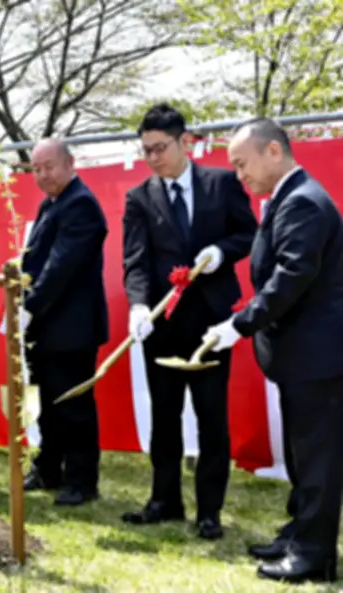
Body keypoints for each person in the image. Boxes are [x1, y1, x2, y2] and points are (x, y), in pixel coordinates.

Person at [204, 117, 343, 584]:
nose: (239, 175)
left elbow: (291, 277)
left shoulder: (303, 202)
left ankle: (314, 553)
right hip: (301, 354)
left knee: (318, 457)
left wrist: (239, 324)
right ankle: (299, 532)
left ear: (273, 152)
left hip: (318, 355)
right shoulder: (286, 198)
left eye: (242, 163)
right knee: (302, 455)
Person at [121, 104, 257, 539]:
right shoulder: (139, 197)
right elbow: (135, 260)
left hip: (210, 321)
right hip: (162, 322)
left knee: (211, 415)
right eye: (146, 151)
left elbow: (249, 233)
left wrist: (221, 252)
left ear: (185, 142)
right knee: (164, 414)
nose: (154, 158)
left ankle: (209, 510)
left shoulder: (221, 184)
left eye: (160, 148)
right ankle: (164, 500)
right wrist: (138, 306)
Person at [19, 138, 109, 506]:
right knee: (46, 403)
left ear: (70, 163)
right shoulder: (50, 204)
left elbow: (60, 265)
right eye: (36, 168)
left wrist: (31, 305)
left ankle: (81, 481)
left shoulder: (81, 204)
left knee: (73, 405)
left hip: (72, 326)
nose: (42, 175)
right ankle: (49, 468)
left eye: (49, 166)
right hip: (45, 325)